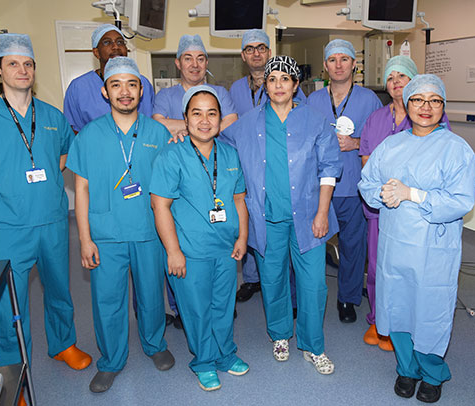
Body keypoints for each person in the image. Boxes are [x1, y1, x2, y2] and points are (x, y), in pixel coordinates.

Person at [0, 33, 92, 379]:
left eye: (28, 64)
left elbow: (65, 155)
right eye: (13, 63)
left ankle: (63, 344)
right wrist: (5, 184)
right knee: (10, 302)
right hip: (11, 226)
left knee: (59, 287)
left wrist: (39, 176)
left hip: (54, 220)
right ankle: (14, 370)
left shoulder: (52, 115)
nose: (22, 70)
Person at [220, 56, 342, 375]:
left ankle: (313, 346)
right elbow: (216, 143)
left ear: (295, 85)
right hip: (265, 217)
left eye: (284, 79)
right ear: (265, 84)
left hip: (308, 218)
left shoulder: (315, 121)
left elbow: (330, 168)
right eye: (271, 79)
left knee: (314, 285)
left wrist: (322, 212)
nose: (277, 85)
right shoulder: (247, 123)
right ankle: (280, 335)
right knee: (272, 280)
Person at [358, 74, 475, 403]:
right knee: (397, 306)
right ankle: (406, 368)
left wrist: (415, 195)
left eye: (434, 101)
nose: (426, 107)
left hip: (434, 246)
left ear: (443, 106)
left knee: (430, 309)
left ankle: (433, 372)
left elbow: (461, 201)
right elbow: (366, 184)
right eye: (418, 100)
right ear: (406, 104)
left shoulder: (457, 149)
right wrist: (382, 194)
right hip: (395, 244)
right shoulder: (390, 146)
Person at [67, 57, 175, 393]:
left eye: (131, 84)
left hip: (148, 232)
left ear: (142, 91)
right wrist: (85, 239)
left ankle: (155, 344)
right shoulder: (89, 135)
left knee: (151, 296)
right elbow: (81, 189)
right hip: (106, 233)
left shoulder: (158, 133)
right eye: (116, 85)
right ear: (105, 91)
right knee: (107, 300)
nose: (124, 92)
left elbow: (168, 188)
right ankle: (111, 360)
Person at [150, 85, 250, 391]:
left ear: (220, 119)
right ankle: (204, 361)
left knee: (223, 304)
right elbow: (160, 205)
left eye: (212, 113)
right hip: (190, 251)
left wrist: (243, 237)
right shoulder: (171, 156)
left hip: (224, 249)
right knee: (196, 309)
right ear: (185, 118)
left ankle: (225, 355)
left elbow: (238, 200)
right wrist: (173, 251)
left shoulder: (230, 154)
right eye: (197, 113)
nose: (204, 120)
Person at [359, 55, 450, 350]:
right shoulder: (376, 119)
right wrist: (386, 192)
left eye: (403, 76)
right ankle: (379, 320)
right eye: (390, 77)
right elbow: (368, 162)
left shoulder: (435, 120)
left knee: (416, 272)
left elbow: (440, 164)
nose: (396, 82)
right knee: (378, 266)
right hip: (383, 207)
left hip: (422, 212)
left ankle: (409, 325)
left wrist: (410, 193)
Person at [307, 39, 381, 324]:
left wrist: (356, 143)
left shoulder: (369, 100)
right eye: (333, 60)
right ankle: (311, 297)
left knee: (353, 247)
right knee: (313, 247)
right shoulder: (312, 101)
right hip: (318, 189)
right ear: (325, 66)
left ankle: (348, 299)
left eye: (344, 59)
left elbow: (380, 142)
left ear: (354, 65)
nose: (338, 65)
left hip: (353, 186)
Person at [229, 29, 303, 305]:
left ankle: (289, 294)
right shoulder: (235, 88)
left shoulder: (289, 88)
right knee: (252, 226)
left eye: (261, 48)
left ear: (269, 52)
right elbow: (231, 128)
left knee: (282, 235)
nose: (256, 53)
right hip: (248, 166)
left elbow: (299, 127)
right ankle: (252, 279)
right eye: (250, 49)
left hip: (277, 168)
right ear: (243, 55)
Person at [63, 24, 155, 133]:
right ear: (96, 52)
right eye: (107, 42)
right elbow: (73, 130)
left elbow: (152, 123)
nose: (115, 46)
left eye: (120, 42)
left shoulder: (143, 82)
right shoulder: (79, 87)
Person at [153, 34, 237, 137]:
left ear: (206, 63)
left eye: (200, 59)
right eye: (188, 59)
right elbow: (157, 126)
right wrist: (208, 127)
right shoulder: (166, 95)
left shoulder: (220, 93)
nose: (195, 65)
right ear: (178, 63)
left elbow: (231, 123)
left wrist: (180, 126)